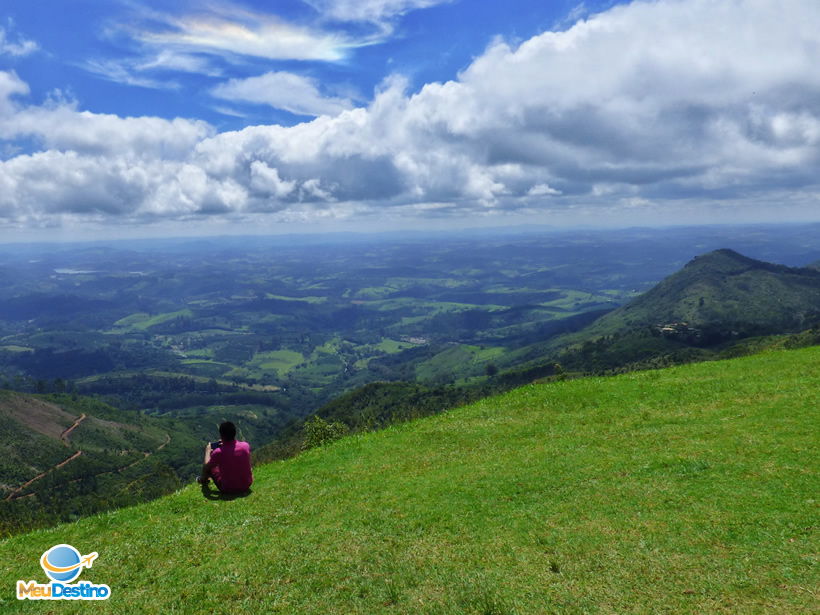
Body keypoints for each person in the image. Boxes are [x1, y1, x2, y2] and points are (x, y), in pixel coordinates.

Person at [198, 421, 253, 493]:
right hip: (246, 484)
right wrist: (225, 443)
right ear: (234, 433)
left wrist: (207, 451)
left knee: (210, 467)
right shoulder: (246, 446)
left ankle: (203, 480)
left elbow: (206, 466)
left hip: (228, 488)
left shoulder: (218, 452)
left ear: (221, 435)